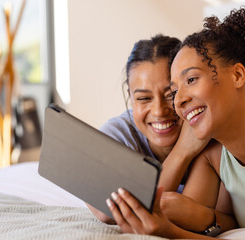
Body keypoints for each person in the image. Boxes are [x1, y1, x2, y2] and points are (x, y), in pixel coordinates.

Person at [106, 7, 245, 238]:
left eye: (191, 79)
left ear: (238, 76)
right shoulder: (212, 154)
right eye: (175, 90)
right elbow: (193, 221)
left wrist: (168, 231)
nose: (179, 100)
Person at [88, 35, 209, 224]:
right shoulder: (117, 134)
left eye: (171, 94)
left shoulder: (209, 131)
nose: (159, 111)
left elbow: (204, 220)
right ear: (130, 96)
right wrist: (182, 151)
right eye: (144, 98)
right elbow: (105, 211)